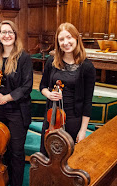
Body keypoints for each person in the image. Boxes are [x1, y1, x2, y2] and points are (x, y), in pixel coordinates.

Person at [0, 20, 33, 186]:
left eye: (10, 32)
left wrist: (6, 97)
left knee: (16, 152)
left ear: (15, 34)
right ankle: (2, 179)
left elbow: (26, 86)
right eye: (3, 32)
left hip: (17, 111)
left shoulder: (23, 58)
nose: (6, 35)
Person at [40, 22, 96, 156]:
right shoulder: (52, 62)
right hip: (52, 117)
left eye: (69, 37)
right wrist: (49, 94)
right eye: (61, 39)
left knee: (67, 159)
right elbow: (42, 86)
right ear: (58, 42)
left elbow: (88, 102)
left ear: (76, 38)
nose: (66, 42)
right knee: (47, 155)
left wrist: (83, 130)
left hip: (73, 119)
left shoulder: (87, 67)